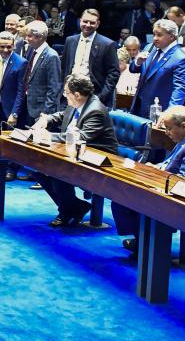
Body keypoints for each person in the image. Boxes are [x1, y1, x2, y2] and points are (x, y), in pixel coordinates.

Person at [111, 105, 185, 249]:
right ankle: (142, 240)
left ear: (184, 125)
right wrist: (156, 167)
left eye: (169, 128)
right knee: (120, 192)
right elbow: (171, 163)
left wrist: (155, 177)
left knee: (126, 195)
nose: (166, 132)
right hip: (168, 182)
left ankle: (147, 246)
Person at [30, 75, 119, 227]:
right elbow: (62, 116)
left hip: (100, 158)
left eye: (66, 92)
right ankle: (73, 207)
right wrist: (46, 120)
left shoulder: (95, 111)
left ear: (77, 94)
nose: (65, 95)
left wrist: (47, 136)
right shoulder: (78, 102)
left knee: (58, 171)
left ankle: (68, 210)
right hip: (76, 152)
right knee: (37, 167)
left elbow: (81, 137)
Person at [128, 19, 185, 120]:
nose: (155, 38)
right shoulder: (150, 48)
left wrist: (170, 115)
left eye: (159, 35)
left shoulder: (180, 58)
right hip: (138, 106)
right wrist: (137, 62)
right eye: (154, 34)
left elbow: (180, 89)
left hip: (159, 111)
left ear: (171, 36)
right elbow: (132, 69)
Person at [60, 8, 120, 108]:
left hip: (93, 96)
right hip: (69, 95)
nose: (87, 25)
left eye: (92, 22)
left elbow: (114, 73)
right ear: (80, 21)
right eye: (85, 21)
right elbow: (64, 68)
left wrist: (101, 97)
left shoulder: (107, 44)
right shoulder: (70, 41)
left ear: (98, 24)